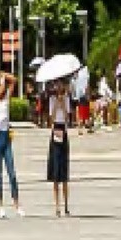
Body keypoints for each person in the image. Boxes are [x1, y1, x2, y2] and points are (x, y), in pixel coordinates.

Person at [0, 74, 21, 219]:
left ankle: (17, 204)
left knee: (12, 173)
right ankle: (1, 206)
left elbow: (14, 80)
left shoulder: (7, 99)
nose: (3, 88)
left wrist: (4, 75)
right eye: (1, 85)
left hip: (6, 137)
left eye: (3, 85)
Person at [47, 83, 73, 217]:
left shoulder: (67, 100)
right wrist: (56, 105)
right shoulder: (52, 100)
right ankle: (57, 205)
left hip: (63, 129)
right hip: (56, 130)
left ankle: (66, 204)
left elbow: (68, 119)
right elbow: (51, 119)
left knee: (64, 171)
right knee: (56, 170)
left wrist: (63, 105)